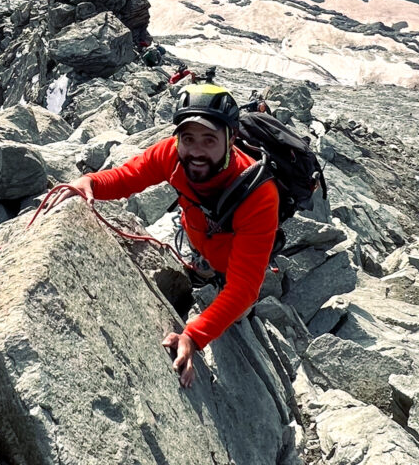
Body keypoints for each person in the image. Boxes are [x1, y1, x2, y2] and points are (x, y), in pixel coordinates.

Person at [48, 83, 279, 387]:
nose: (196, 151)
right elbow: (128, 177)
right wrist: (90, 182)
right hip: (199, 239)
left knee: (237, 309)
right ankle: (201, 269)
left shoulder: (259, 196)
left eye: (209, 140)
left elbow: (244, 287)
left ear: (231, 139)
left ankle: (209, 275)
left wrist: (193, 337)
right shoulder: (172, 155)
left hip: (230, 260)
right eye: (188, 138)